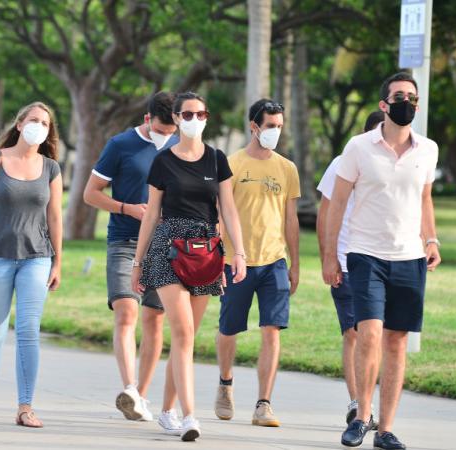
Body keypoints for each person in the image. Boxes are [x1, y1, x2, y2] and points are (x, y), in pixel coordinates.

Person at [323, 72, 441, 450]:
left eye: (411, 96)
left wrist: (432, 238)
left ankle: (386, 429)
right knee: (369, 334)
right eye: (398, 96)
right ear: (383, 104)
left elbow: (425, 199)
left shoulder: (428, 149)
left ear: (417, 105)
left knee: (397, 341)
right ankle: (362, 417)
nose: (405, 101)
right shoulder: (358, 147)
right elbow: (337, 204)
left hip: (409, 257)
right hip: (365, 254)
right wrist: (329, 256)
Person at [131, 91, 247, 442]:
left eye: (201, 114)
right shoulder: (163, 161)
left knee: (188, 337)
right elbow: (152, 212)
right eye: (188, 114)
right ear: (177, 118)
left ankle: (167, 410)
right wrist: (138, 262)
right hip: (168, 248)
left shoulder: (217, 159)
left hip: (206, 251)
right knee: (182, 334)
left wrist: (238, 253)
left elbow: (228, 208)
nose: (195, 120)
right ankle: (189, 416)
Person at [0, 101, 63, 428]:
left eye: (45, 123)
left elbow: (55, 216)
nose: (38, 127)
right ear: (19, 124)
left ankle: (25, 406)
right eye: (33, 120)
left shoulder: (51, 169)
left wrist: (58, 261)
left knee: (29, 329)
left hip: (37, 258)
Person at [83, 92, 178, 426]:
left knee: (154, 320)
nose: (166, 136)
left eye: (172, 130)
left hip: (165, 247)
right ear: (147, 119)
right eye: (162, 129)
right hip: (124, 240)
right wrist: (127, 209)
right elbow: (90, 193)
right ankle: (129, 388)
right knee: (126, 312)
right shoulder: (120, 145)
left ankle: (141, 396)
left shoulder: (181, 146)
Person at [213, 99, 300, 427]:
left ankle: (264, 403)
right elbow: (221, 212)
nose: (274, 131)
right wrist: (225, 253)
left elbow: (291, 219)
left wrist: (294, 264)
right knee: (229, 328)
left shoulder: (287, 168)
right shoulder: (231, 164)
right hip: (236, 262)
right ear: (254, 126)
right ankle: (225, 383)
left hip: (274, 261)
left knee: (272, 330)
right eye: (269, 126)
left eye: (279, 126)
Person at [317, 110, 384, 426]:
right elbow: (325, 212)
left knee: (376, 335)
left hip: (382, 263)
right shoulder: (342, 163)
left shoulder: (390, 167)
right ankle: (359, 405)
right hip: (346, 261)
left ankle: (369, 403)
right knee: (354, 333)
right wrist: (327, 257)